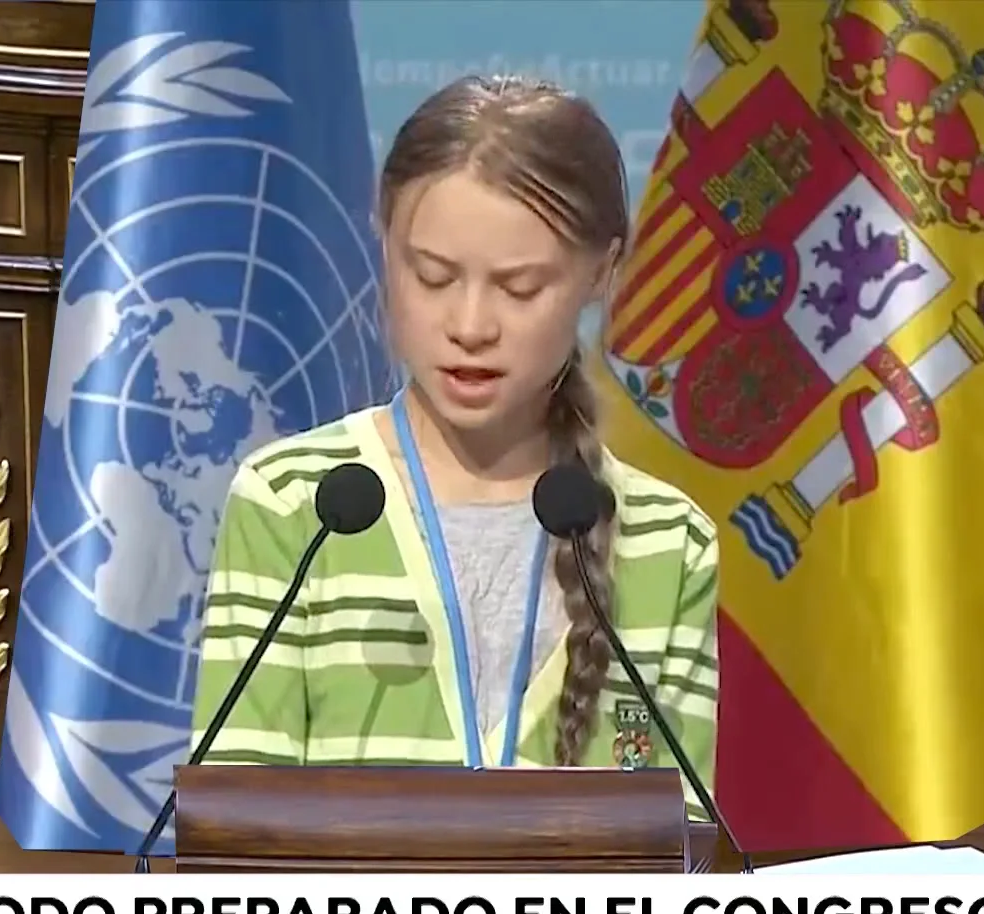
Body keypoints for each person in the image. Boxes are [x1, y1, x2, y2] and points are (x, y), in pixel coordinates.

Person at [189, 75, 719, 818]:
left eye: (520, 287)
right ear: (386, 248)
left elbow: (683, 855)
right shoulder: (295, 502)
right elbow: (236, 838)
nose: (470, 324)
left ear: (602, 272)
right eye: (432, 277)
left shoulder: (670, 543)